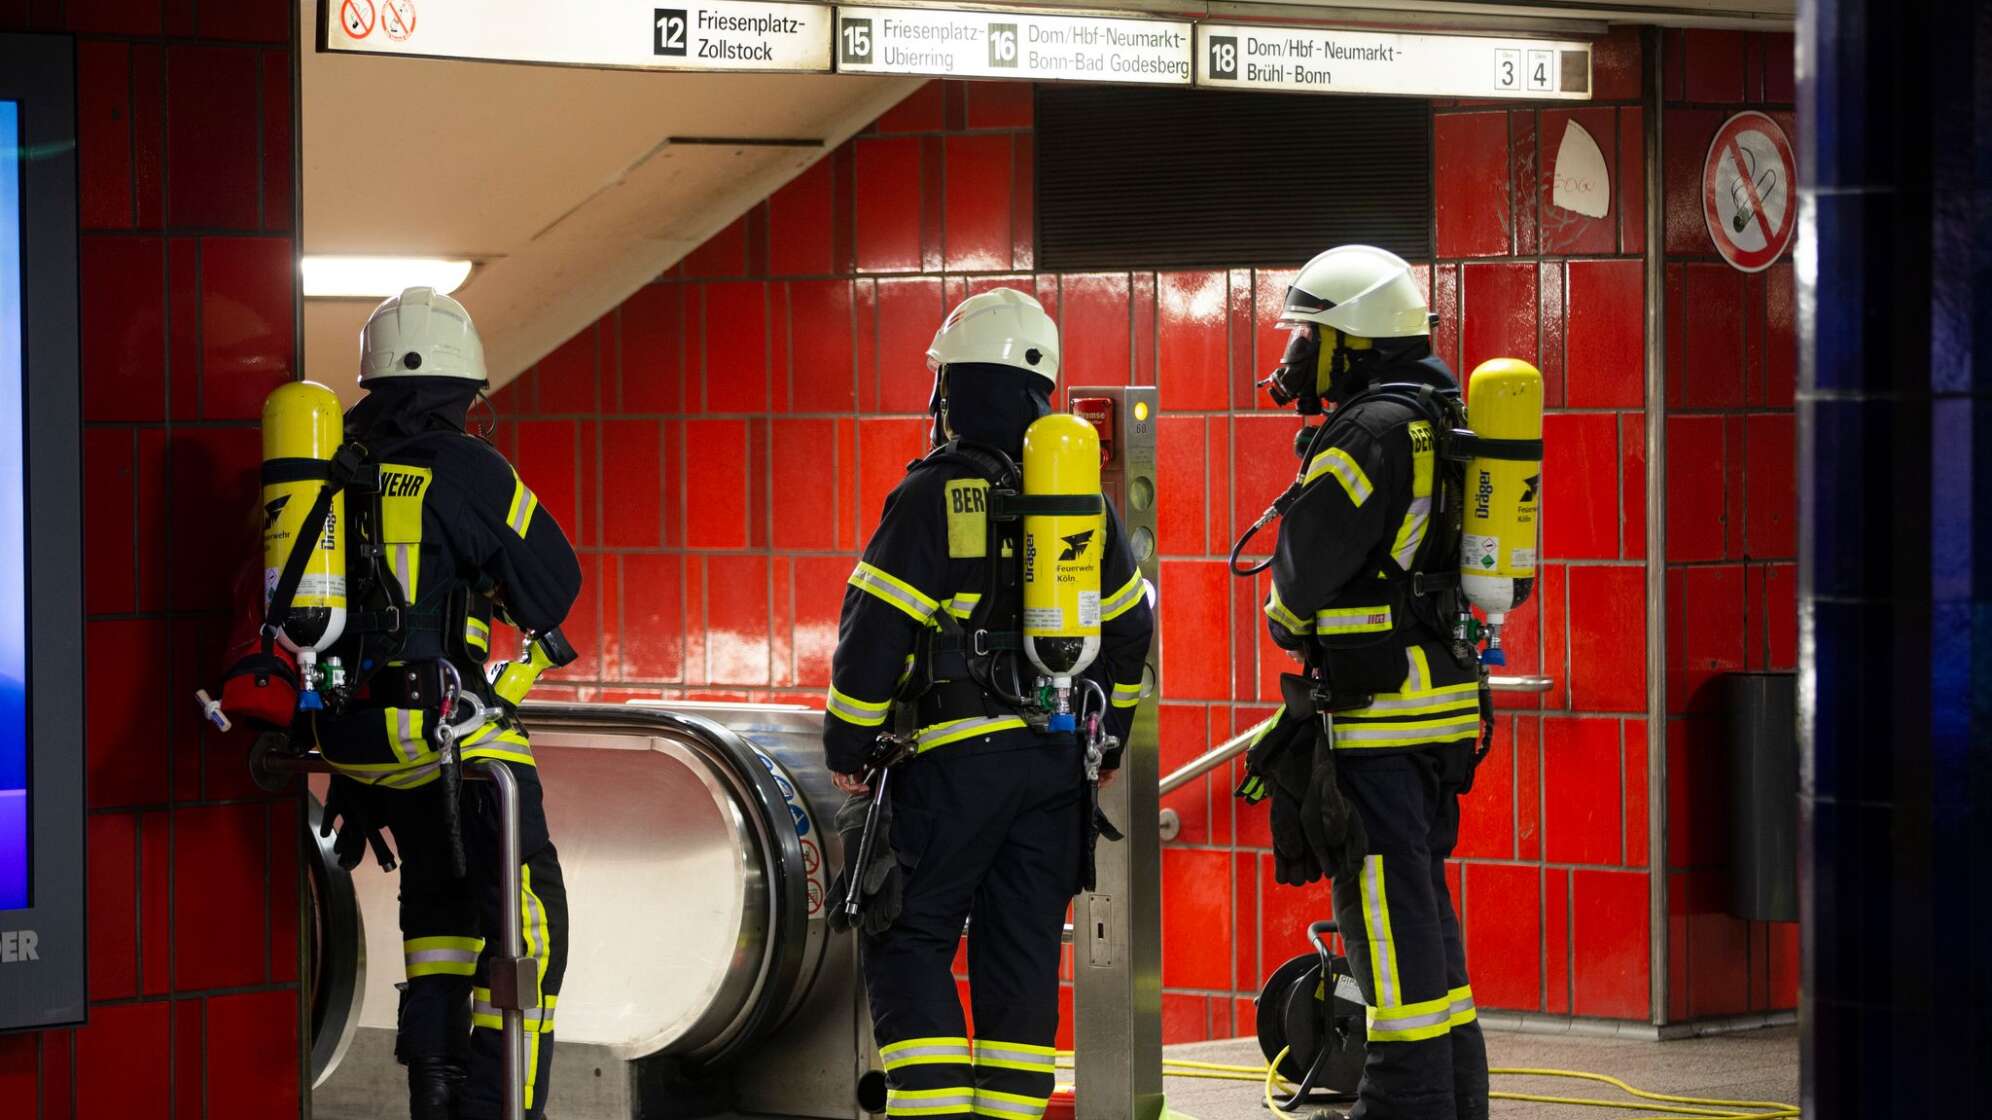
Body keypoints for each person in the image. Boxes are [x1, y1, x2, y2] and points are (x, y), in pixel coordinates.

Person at [823, 288, 1154, 1120]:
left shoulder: (935, 494)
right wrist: (1106, 736)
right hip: (1055, 768)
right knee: (1022, 955)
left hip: (955, 765)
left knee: (909, 940)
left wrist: (848, 743)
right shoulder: (1081, 506)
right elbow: (1129, 629)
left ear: (958, 387)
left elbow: (876, 630)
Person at [308, 287, 583, 1120]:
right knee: (531, 930)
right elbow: (554, 587)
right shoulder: (464, 466)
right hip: (444, 739)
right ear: (464, 389)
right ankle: (502, 1107)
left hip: (353, 742)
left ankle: (437, 1094)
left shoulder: (326, 466)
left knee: (440, 928)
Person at [1240, 246, 1490, 1120]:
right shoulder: (1441, 412)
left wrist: (1286, 620)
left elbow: (1300, 576)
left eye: (1310, 331)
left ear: (1353, 338)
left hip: (1377, 719)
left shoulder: (1369, 431)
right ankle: (1454, 1101)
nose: (1298, 350)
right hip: (1441, 713)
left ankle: (1402, 1102)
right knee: (1423, 921)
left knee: (1384, 923)